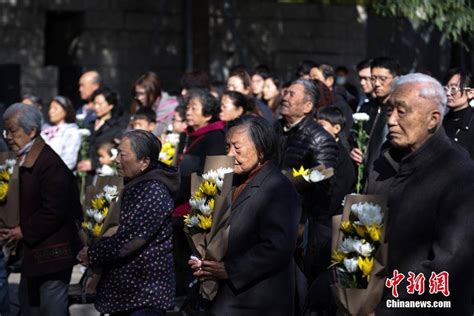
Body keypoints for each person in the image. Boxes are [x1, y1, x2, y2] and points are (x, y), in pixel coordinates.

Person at [365, 73, 474, 315]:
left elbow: (449, 266)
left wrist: (387, 311)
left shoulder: (459, 173)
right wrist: (350, 294)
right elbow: (359, 236)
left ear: (433, 119)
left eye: (401, 112)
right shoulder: (382, 165)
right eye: (389, 110)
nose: (391, 120)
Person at [189, 115, 300, 315]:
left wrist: (230, 269)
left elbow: (278, 247)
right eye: (227, 148)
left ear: (261, 149)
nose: (230, 155)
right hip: (225, 295)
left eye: (237, 148)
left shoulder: (278, 188)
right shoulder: (231, 181)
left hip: (257, 298)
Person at [78, 130, 179, 315]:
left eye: (122, 155)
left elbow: (129, 239)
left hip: (145, 295)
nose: (116, 160)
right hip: (124, 292)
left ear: (144, 162)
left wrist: (93, 254)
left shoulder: (154, 191)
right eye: (116, 153)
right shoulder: (129, 184)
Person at [0, 103, 82, 315]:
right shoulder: (20, 159)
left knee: (51, 309)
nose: (8, 136)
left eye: (12, 131)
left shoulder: (48, 163)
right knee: (29, 307)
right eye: (5, 130)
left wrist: (23, 231)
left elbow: (54, 210)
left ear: (32, 131)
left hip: (53, 255)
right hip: (34, 254)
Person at [173, 89, 227, 296]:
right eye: (188, 107)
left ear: (207, 114)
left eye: (194, 108)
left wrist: (176, 193)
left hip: (195, 207)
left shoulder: (214, 137)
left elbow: (206, 175)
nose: (188, 112)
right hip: (179, 202)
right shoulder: (187, 134)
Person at [350, 57, 400, 172]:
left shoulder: (399, 110)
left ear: (396, 80)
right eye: (373, 78)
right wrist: (353, 150)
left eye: (382, 79)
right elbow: (353, 137)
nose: (377, 84)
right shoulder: (366, 107)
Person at [77, 87, 128, 182]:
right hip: (84, 176)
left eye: (100, 104)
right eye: (95, 103)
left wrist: (94, 163)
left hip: (104, 176)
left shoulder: (117, 127)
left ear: (110, 106)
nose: (96, 107)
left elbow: (115, 154)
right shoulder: (89, 125)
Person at [131, 71, 178, 136]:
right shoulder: (140, 106)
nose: (139, 98)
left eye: (142, 94)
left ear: (152, 92)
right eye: (137, 94)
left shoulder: (170, 107)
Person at [41, 96, 82, 170]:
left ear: (65, 111)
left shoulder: (71, 132)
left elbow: (69, 160)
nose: (51, 111)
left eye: (55, 108)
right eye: (50, 108)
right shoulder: (45, 131)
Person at [442, 68, 474, 158]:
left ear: (470, 93)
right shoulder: (440, 123)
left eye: (453, 89)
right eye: (446, 88)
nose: (448, 93)